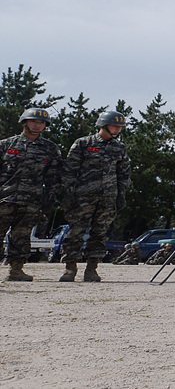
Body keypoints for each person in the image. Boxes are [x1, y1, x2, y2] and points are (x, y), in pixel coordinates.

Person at [60, 110, 131, 282]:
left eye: (120, 127)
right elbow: (70, 170)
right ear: (103, 124)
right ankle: (70, 268)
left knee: (99, 234)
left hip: (107, 199)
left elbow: (124, 173)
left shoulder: (119, 148)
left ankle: (92, 269)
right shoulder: (83, 143)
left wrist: (121, 194)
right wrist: (68, 193)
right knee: (75, 233)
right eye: (114, 125)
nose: (117, 129)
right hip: (82, 198)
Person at [0, 108, 63, 282]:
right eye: (34, 121)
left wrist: (48, 202)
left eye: (41, 123)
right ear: (24, 122)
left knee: (21, 237)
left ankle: (16, 270)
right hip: (4, 199)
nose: (37, 125)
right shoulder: (6, 145)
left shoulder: (50, 149)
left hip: (31, 201)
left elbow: (54, 178)